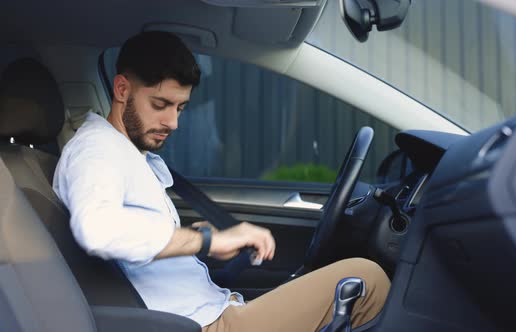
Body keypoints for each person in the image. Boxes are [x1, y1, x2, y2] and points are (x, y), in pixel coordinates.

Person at [53, 31, 390, 332]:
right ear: (122, 89)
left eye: (181, 108)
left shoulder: (124, 151)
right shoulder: (96, 151)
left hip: (213, 308)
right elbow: (97, 229)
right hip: (201, 324)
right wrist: (204, 242)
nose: (173, 122)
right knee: (365, 278)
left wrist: (210, 236)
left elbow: (133, 233)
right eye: (161, 105)